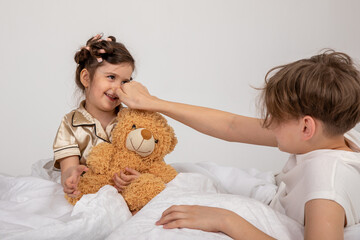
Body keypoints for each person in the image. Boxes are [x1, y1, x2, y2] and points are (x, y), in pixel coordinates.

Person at [115, 50, 360, 239]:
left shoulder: (326, 182)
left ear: (306, 127)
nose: (268, 124)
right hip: (276, 193)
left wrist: (227, 221)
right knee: (186, 171)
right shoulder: (333, 134)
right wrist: (153, 102)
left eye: (276, 117)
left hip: (275, 213)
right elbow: (231, 126)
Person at [53, 34, 140, 198]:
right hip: (92, 192)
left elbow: (146, 160)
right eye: (111, 77)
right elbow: (68, 167)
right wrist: (71, 176)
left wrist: (138, 177)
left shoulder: (132, 120)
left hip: (126, 192)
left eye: (124, 82)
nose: (117, 88)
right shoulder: (70, 123)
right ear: (86, 78)